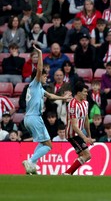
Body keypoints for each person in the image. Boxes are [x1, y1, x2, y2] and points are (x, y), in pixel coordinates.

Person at [22, 45, 72, 175]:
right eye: (45, 76)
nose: (46, 78)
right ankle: (31, 161)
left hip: (30, 117)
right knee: (49, 145)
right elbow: (39, 69)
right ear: (39, 76)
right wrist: (40, 54)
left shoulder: (39, 88)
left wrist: (62, 97)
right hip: (34, 117)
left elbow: (50, 96)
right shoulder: (35, 83)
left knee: (44, 142)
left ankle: (32, 164)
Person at [63, 82, 94, 175]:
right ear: (78, 93)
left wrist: (89, 135)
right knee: (87, 155)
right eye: (85, 92)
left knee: (82, 155)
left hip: (79, 133)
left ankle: (68, 173)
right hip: (72, 134)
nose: (87, 94)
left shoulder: (85, 103)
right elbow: (74, 126)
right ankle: (67, 173)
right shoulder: (72, 105)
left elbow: (86, 120)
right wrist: (84, 138)